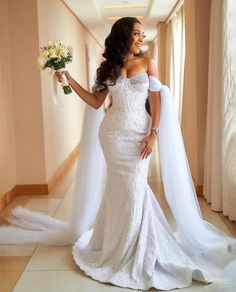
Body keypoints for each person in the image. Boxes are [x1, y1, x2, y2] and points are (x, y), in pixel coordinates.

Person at [0, 16, 236, 291]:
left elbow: (155, 100)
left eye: (142, 34)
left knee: (135, 191)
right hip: (112, 138)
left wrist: (153, 133)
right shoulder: (107, 69)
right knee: (120, 191)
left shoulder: (148, 63)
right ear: (124, 35)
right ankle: (117, 246)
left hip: (138, 137)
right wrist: (68, 78)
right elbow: (95, 101)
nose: (141, 38)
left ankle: (136, 248)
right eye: (136, 33)